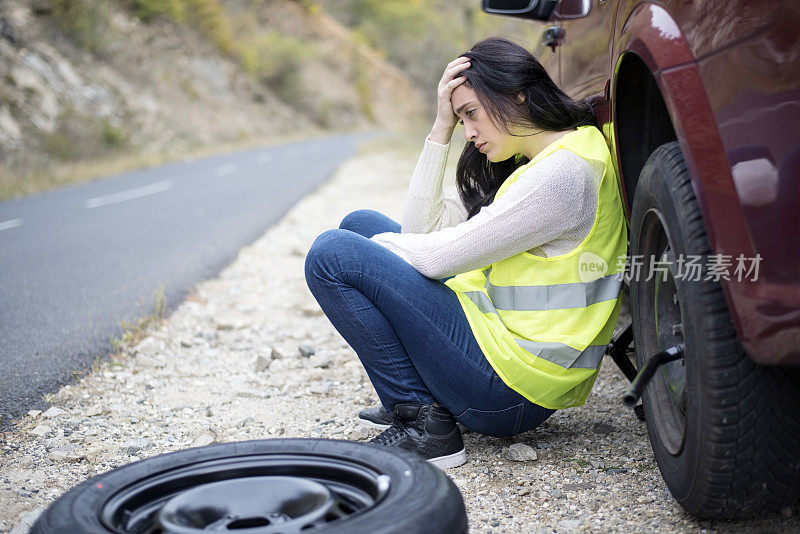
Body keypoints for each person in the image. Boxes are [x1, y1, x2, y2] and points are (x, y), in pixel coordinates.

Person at [304, 37, 627, 468]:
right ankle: (422, 399)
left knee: (333, 254)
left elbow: (436, 259)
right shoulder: (543, 158)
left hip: (512, 390)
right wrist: (441, 127)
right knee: (359, 223)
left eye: (470, 114)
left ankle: (426, 428)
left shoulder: (563, 176)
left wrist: (366, 257)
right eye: (461, 120)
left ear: (516, 95)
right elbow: (422, 231)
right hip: (501, 352)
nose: (469, 132)